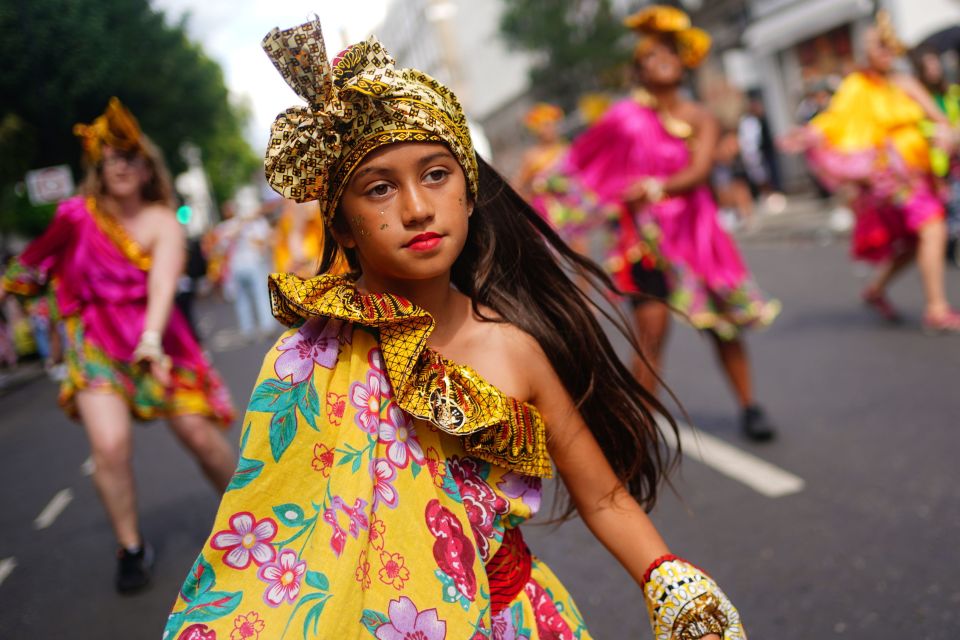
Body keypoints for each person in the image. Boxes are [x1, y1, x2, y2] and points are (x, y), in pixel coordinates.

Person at [164, 19, 745, 640]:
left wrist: (675, 587)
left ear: (469, 194)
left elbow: (603, 498)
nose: (416, 207)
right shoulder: (310, 359)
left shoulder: (514, 348)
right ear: (341, 227)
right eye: (380, 188)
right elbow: (279, 532)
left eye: (436, 175)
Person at [1, 98, 237, 592]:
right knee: (109, 445)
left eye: (130, 157)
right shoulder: (76, 216)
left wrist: (151, 341)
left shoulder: (162, 221)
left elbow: (163, 287)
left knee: (197, 434)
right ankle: (131, 547)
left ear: (146, 165)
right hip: (94, 346)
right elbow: (34, 264)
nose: (121, 167)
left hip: (155, 341)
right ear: (98, 167)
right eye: (111, 159)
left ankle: (250, 519)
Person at [537, 6, 780, 441]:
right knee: (651, 333)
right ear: (639, 69)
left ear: (684, 60)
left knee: (721, 327)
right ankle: (641, 426)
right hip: (643, 240)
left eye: (669, 51)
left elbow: (700, 170)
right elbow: (582, 161)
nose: (661, 59)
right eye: (650, 55)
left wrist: (653, 188)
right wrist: (543, 189)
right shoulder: (624, 117)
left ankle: (750, 406)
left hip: (696, 235)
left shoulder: (699, 116)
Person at [783, 12, 960, 331]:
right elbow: (835, 120)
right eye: (873, 46)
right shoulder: (857, 85)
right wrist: (811, 133)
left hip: (918, 173)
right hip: (887, 178)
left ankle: (876, 289)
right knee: (932, 228)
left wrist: (946, 134)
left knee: (914, 241)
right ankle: (936, 308)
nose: (880, 52)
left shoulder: (905, 83)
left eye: (884, 46)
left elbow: (939, 118)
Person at [912, 47, 960, 266]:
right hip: (935, 162)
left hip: (955, 156)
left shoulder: (950, 93)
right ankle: (949, 246)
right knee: (949, 206)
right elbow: (919, 128)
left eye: (935, 64)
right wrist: (938, 133)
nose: (934, 70)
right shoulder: (919, 97)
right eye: (928, 66)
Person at [214, 201, 276, 340]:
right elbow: (263, 242)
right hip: (252, 264)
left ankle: (248, 329)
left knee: (243, 299)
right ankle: (266, 326)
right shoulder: (252, 223)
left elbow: (220, 248)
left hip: (237, 266)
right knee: (259, 296)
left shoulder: (223, 227)